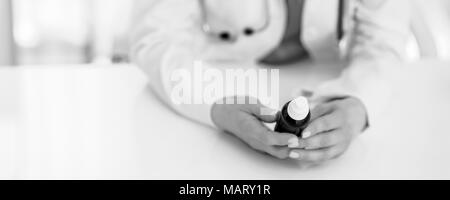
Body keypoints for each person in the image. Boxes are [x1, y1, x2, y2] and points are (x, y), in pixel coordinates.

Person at [130, 0, 410, 163]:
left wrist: (358, 102)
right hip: (210, 82)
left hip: (324, 77)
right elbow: (156, 38)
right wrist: (215, 102)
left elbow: (382, 41)